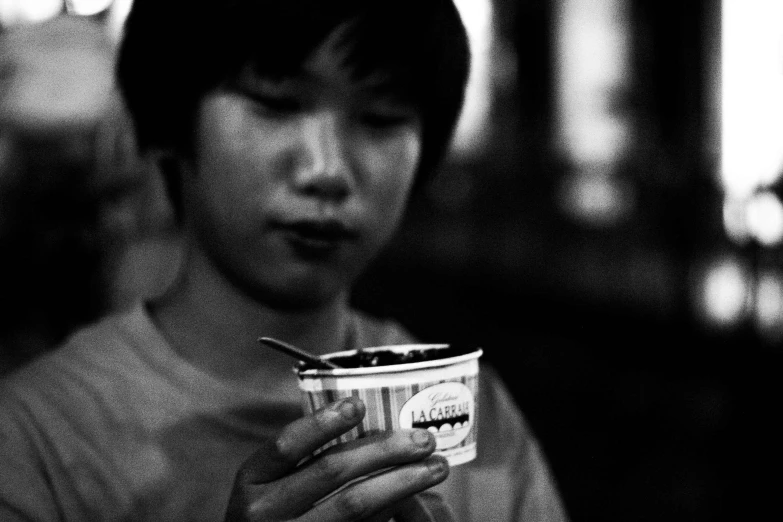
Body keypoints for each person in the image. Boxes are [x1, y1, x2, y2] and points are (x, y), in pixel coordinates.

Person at [0, 1, 569, 520]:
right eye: (276, 104)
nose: (327, 170)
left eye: (382, 119)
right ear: (171, 119)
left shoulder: (475, 416)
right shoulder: (36, 441)